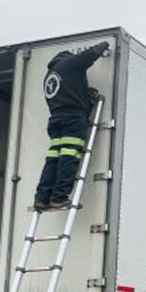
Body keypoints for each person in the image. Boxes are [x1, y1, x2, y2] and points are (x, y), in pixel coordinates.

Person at [34, 41, 109, 211]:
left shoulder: (50, 75)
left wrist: (85, 95)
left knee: (53, 159)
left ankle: (41, 198)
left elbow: (68, 94)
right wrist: (104, 45)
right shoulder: (70, 64)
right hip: (72, 119)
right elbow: (89, 55)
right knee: (69, 156)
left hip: (56, 119)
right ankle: (59, 197)